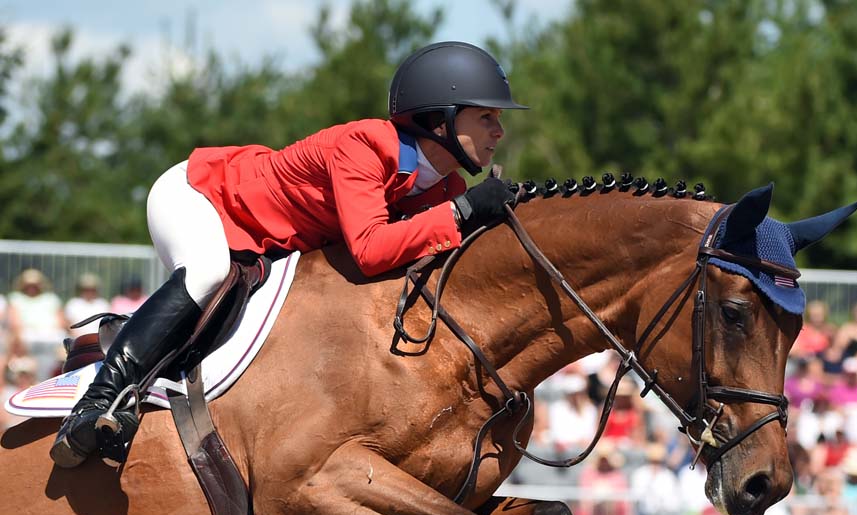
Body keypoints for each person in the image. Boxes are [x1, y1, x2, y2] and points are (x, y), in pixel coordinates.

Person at [51, 41, 525, 469]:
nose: (498, 131)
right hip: (203, 198)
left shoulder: (445, 185)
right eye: (486, 117)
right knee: (208, 271)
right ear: (439, 119)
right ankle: (98, 402)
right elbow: (369, 249)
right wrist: (462, 212)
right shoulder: (366, 145)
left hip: (263, 243)